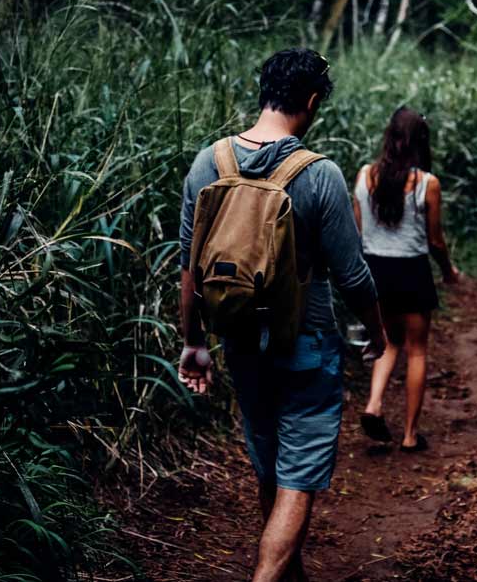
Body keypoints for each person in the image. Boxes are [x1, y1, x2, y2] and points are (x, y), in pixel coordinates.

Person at [176, 48, 387, 582]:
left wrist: (193, 342)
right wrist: (376, 334)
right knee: (298, 479)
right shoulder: (319, 175)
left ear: (263, 89)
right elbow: (352, 275)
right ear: (312, 102)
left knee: (269, 461)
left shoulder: (209, 162)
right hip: (308, 343)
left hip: (240, 338)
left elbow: (189, 271)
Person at [353, 106, 461, 452]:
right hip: (412, 272)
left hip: (375, 271)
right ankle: (411, 435)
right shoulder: (427, 184)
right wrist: (448, 271)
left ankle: (373, 404)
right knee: (416, 352)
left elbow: (358, 231)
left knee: (386, 341)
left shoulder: (364, 176)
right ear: (421, 141)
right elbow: (435, 241)